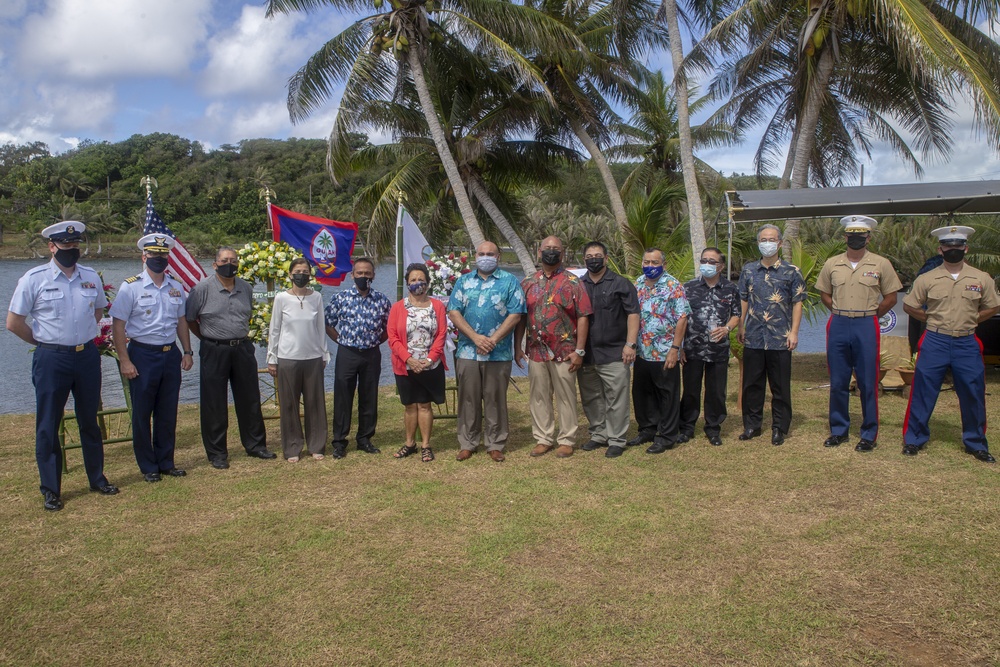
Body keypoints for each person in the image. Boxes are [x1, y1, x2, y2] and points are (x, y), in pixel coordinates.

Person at [6, 221, 119, 511]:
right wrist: (46, 342)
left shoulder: (90, 276)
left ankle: (97, 478)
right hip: (51, 358)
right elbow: (14, 323)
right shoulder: (34, 279)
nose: (71, 249)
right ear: (51, 246)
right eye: (65, 245)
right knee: (48, 424)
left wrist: (77, 338)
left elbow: (97, 311)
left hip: (86, 356)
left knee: (89, 421)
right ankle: (51, 489)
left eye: (75, 244)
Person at [902, 225, 1000, 463]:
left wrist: (974, 319)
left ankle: (976, 443)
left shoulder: (981, 278)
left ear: (965, 248)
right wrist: (929, 319)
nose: (953, 250)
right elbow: (909, 305)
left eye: (958, 246)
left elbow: (993, 306)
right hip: (936, 339)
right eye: (948, 246)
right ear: (941, 249)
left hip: (966, 341)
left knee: (973, 393)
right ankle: (914, 439)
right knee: (923, 391)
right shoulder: (927, 278)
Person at [110, 233, 194, 482]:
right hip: (142, 354)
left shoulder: (175, 286)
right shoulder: (131, 287)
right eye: (154, 255)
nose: (158, 258)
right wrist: (125, 360)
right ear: (144, 256)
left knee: (167, 412)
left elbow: (181, 321)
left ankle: (166, 461)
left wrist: (187, 351)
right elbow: (118, 325)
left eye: (163, 255)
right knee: (142, 413)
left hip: (170, 354)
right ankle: (148, 466)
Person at [815, 215, 902, 452]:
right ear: (845, 237)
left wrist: (873, 313)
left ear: (868, 237)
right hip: (839, 324)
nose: (856, 240)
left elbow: (891, 296)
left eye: (860, 236)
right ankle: (839, 430)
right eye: (851, 236)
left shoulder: (881, 263)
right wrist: (837, 310)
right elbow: (824, 292)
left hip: (866, 324)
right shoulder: (832, 263)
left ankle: (869, 433)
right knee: (838, 381)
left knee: (868, 381)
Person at [186, 246, 275, 469]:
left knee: (250, 398)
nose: (230, 264)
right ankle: (217, 453)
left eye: (234, 260)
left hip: (242, 348)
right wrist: (209, 338)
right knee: (214, 402)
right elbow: (190, 319)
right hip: (214, 349)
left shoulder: (245, 288)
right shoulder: (202, 289)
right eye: (225, 260)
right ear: (215, 264)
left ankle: (256, 445)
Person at [447, 241, 525, 463]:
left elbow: (516, 314)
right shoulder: (463, 281)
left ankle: (495, 443)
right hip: (468, 352)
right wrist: (475, 338)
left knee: (495, 398)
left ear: (498, 256)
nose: (486, 257)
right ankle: (467, 443)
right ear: (475, 256)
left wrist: (492, 339)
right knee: (468, 399)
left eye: (490, 253)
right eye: (482, 253)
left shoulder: (510, 282)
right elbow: (454, 312)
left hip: (498, 353)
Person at [515, 236, 592, 458]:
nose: (551, 252)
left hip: (565, 351)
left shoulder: (574, 282)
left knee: (566, 396)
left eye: (555, 249)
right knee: (538, 395)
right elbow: (521, 318)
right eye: (547, 248)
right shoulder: (528, 282)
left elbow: (584, 317)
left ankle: (567, 439)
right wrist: (518, 348)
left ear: (562, 252)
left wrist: (579, 351)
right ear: (539, 252)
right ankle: (543, 438)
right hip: (536, 350)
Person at [737, 225, 806, 446]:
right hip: (754, 337)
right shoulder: (748, 271)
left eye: (772, 239)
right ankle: (752, 425)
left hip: (780, 338)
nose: (768, 242)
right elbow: (743, 300)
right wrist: (741, 326)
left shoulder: (792, 271)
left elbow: (797, 303)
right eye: (763, 239)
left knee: (780, 386)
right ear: (758, 243)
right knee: (752, 385)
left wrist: (794, 332)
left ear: (779, 243)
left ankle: (779, 428)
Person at [577, 241, 640, 458]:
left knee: (616, 397)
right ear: (584, 260)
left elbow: (633, 314)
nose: (593, 259)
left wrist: (630, 344)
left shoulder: (622, 284)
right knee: (592, 397)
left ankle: (616, 439)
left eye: (597, 255)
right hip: (587, 353)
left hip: (615, 351)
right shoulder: (578, 284)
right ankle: (598, 434)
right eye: (589, 256)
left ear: (606, 258)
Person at [325, 257, 391, 459]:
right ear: (352, 275)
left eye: (367, 273)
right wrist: (342, 340)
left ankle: (364, 439)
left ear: (373, 275)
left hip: (371, 353)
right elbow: (328, 323)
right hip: (348, 353)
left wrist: (374, 342)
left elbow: (389, 328)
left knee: (369, 396)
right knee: (343, 397)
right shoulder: (341, 298)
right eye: (360, 273)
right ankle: (339, 442)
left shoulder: (381, 300)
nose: (364, 277)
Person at [267, 258, 330, 462]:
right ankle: (293, 447)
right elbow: (274, 329)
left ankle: (316, 444)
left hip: (313, 357)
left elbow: (321, 327)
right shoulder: (281, 298)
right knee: (289, 404)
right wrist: (272, 357)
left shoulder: (317, 297)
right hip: (288, 357)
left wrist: (324, 353)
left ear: (310, 275)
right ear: (290, 274)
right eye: (297, 271)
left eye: (305, 271)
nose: (301, 274)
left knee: (315, 403)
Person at [679, 247, 740, 447]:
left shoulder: (731, 289)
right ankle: (687, 427)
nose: (707, 264)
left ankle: (713, 428)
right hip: (692, 348)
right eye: (704, 260)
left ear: (721, 266)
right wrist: (678, 346)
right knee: (690, 390)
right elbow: (681, 318)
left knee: (716, 392)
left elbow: (737, 314)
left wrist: (727, 328)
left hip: (718, 349)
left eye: (712, 261)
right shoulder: (688, 287)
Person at [387, 263, 449, 463]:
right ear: (407, 284)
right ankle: (409, 443)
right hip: (405, 365)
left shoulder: (437, 306)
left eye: (420, 279)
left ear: (428, 283)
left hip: (430, 365)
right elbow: (393, 337)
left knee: (424, 405)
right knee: (409, 405)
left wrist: (429, 359)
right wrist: (409, 359)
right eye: (413, 280)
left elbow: (441, 334)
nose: (417, 283)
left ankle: (426, 445)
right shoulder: (397, 307)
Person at [631, 248, 691, 454]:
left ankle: (666, 436)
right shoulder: (637, 284)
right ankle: (647, 429)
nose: (650, 266)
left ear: (663, 265)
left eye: (654, 263)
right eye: (646, 262)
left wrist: (676, 348)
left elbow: (682, 318)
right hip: (641, 350)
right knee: (642, 393)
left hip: (665, 350)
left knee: (667, 394)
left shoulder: (673, 286)